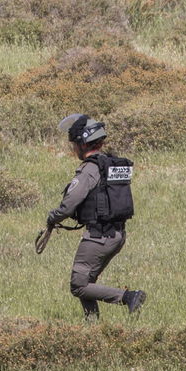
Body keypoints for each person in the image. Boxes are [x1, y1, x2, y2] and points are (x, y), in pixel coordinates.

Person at [46, 114, 146, 321]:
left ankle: (128, 297)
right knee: (87, 281)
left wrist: (52, 218)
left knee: (78, 285)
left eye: (74, 144)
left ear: (82, 143)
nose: (73, 149)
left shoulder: (89, 169)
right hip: (116, 234)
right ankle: (92, 326)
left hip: (98, 237)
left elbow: (69, 204)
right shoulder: (110, 164)